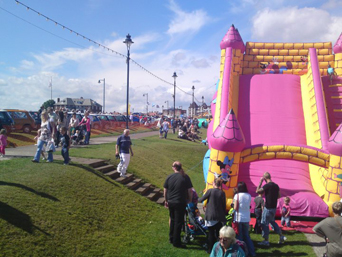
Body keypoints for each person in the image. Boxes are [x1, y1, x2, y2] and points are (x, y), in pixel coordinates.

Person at [163, 161, 193, 248]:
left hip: (171, 202)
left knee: (172, 220)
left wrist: (166, 200)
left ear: (174, 168)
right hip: (180, 202)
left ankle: (171, 238)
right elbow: (190, 191)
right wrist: (189, 200)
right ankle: (176, 242)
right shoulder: (185, 177)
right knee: (178, 222)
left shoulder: (169, 177)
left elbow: (165, 190)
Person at [256, 172, 286, 246]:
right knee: (272, 222)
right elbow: (279, 196)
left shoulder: (267, 186)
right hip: (274, 207)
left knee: (264, 223)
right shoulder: (276, 186)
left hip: (268, 207)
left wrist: (260, 182)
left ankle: (266, 240)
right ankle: (281, 235)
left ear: (265, 178)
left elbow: (257, 191)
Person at [198, 177, 227, 253]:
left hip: (210, 216)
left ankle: (210, 249)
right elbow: (224, 205)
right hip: (219, 217)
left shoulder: (210, 191)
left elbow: (201, 199)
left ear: (214, 184)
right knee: (218, 234)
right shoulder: (222, 193)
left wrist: (194, 199)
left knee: (211, 234)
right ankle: (219, 250)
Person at [233, 182, 256, 257]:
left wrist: (233, 206)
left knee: (240, 237)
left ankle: (241, 252)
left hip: (239, 217)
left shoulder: (237, 195)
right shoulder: (248, 195)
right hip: (246, 217)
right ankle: (252, 252)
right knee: (247, 236)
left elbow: (235, 207)